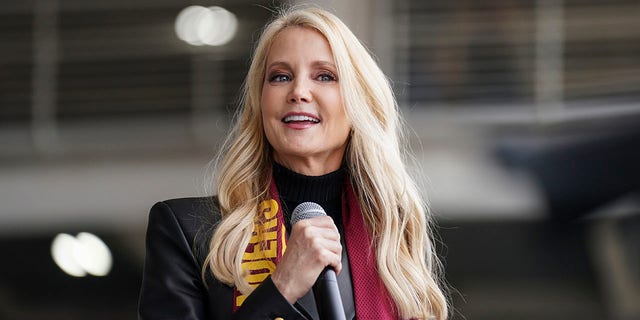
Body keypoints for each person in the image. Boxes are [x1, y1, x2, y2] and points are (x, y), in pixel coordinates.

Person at [138, 6, 448, 320]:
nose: (298, 91)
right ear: (260, 103)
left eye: (324, 76)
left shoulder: (392, 238)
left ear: (359, 102)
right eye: (281, 77)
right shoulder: (187, 231)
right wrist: (282, 286)